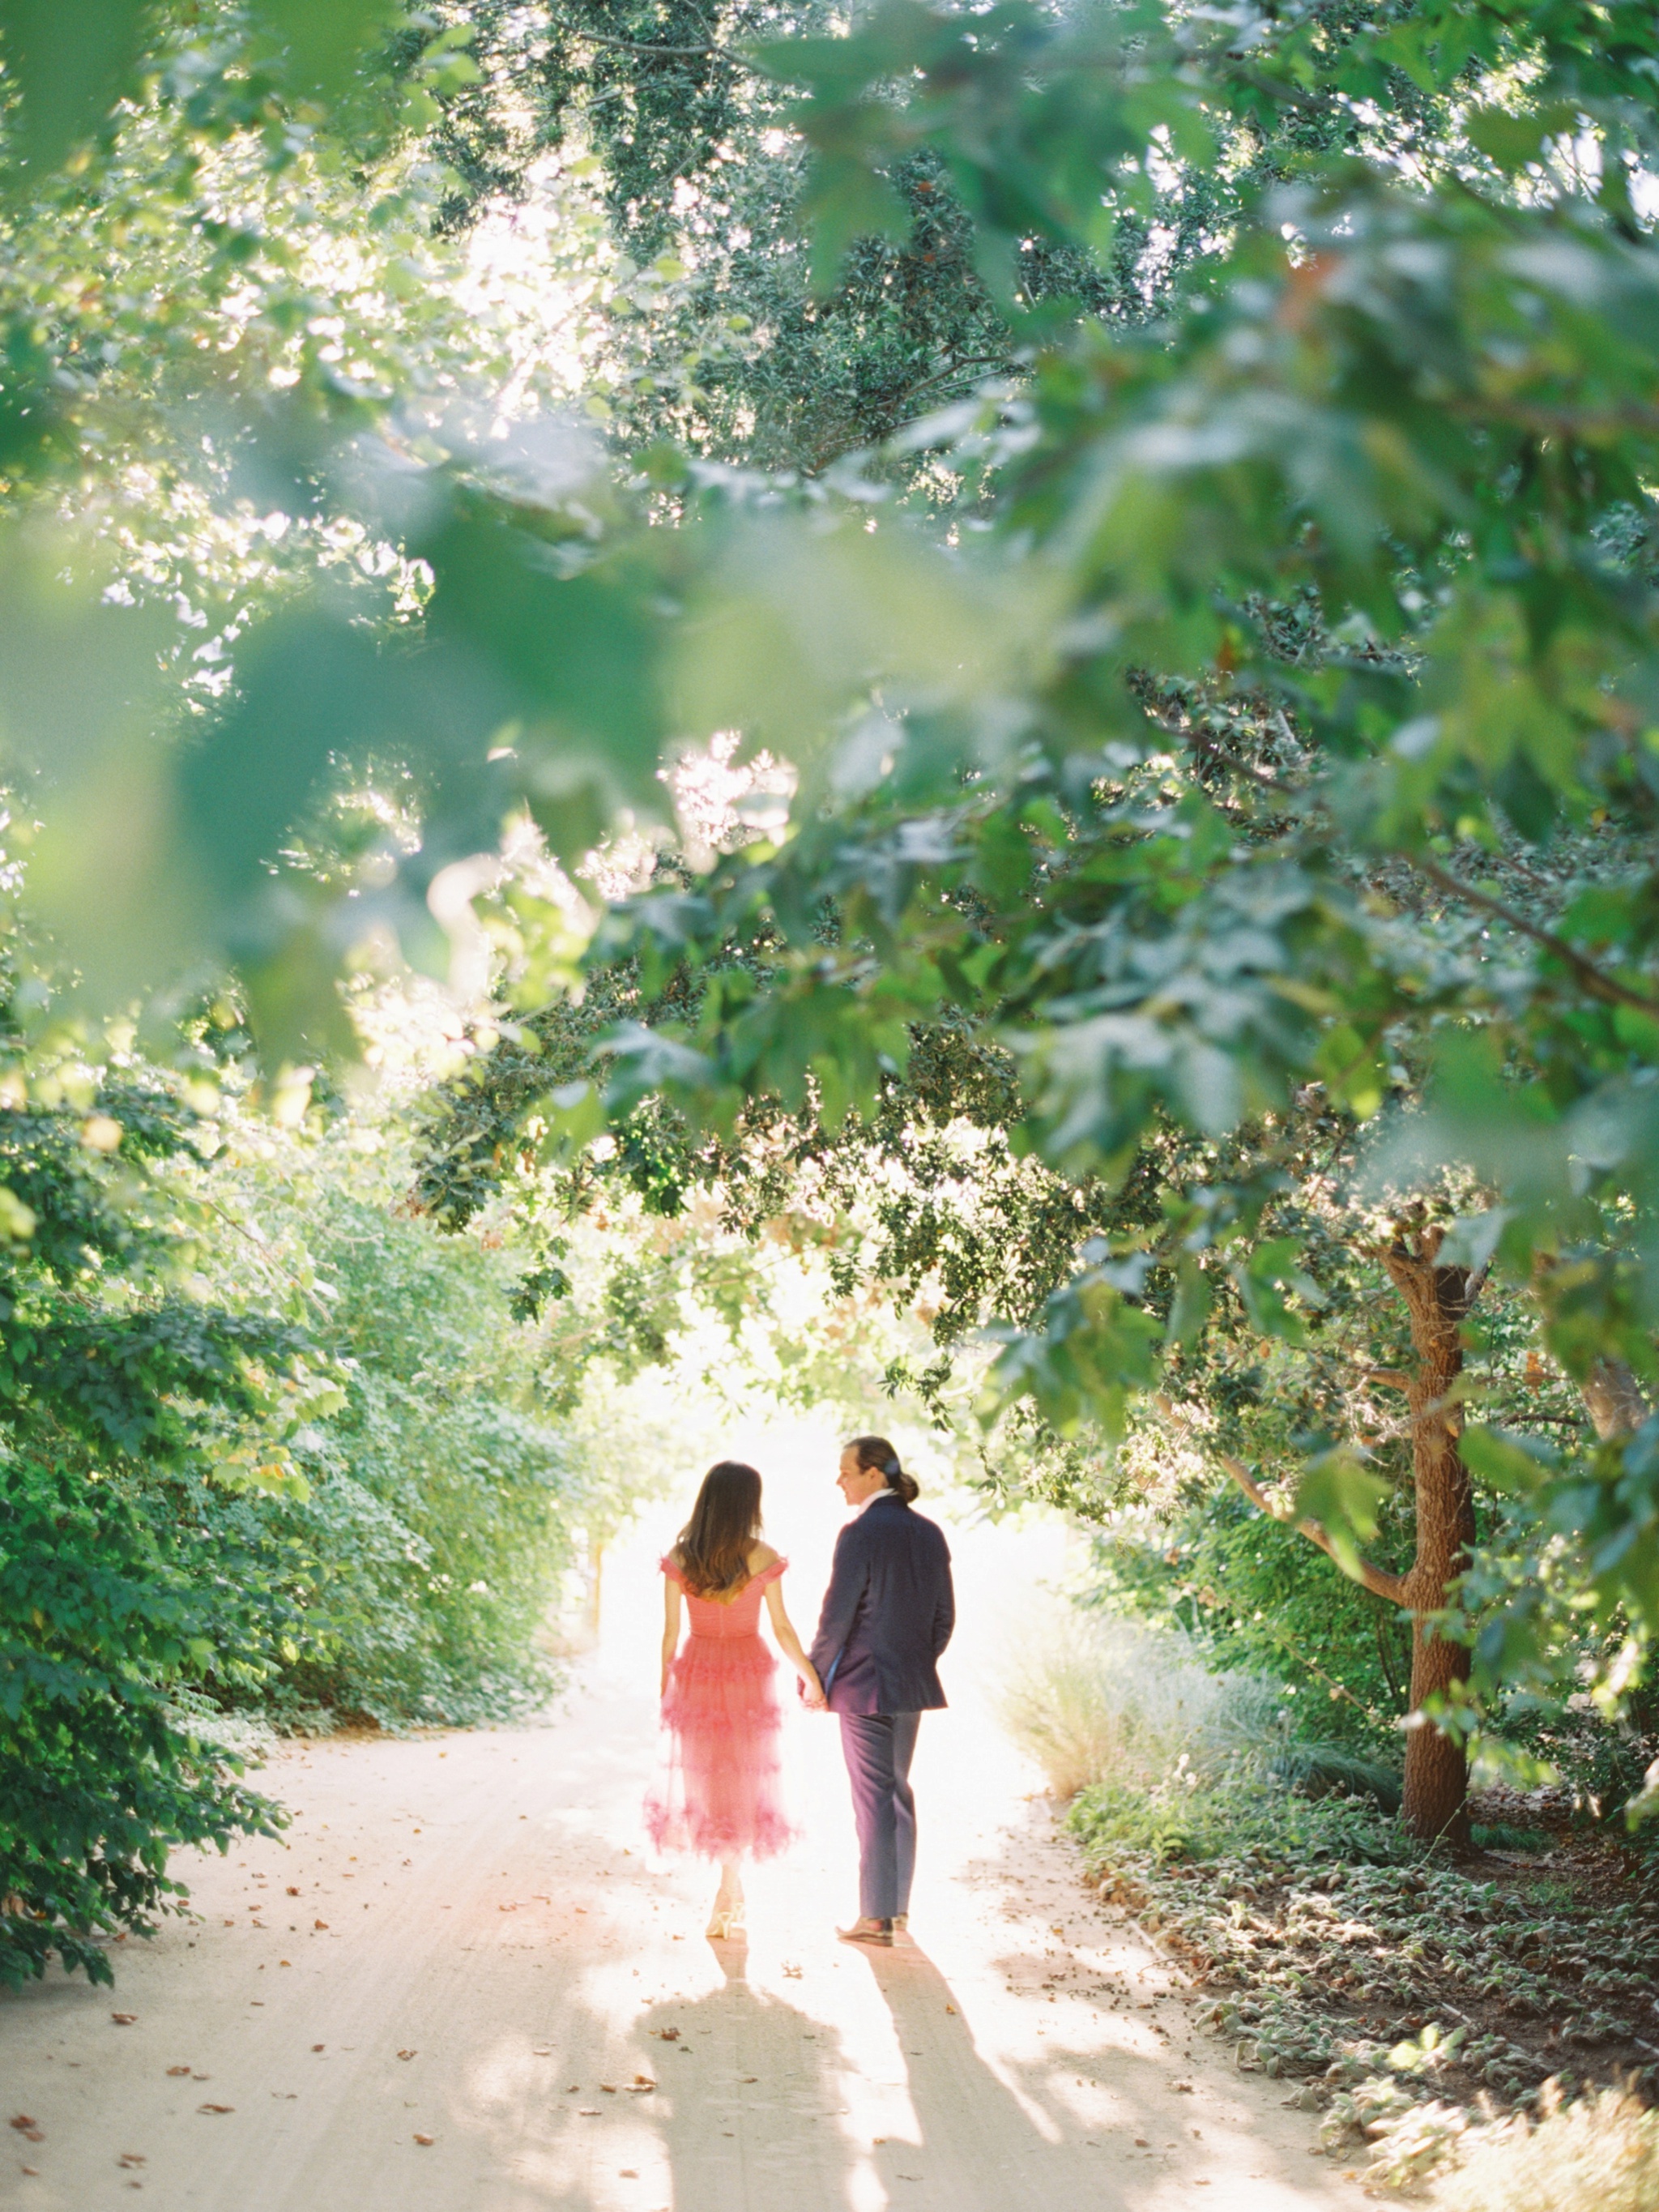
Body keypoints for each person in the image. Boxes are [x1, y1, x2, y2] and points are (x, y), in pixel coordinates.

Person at [645, 1459, 823, 1939]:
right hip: (748, 1671)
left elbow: (669, 1634)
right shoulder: (763, 1556)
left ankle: (729, 1885)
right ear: (749, 1503)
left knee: (709, 1776)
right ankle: (730, 1884)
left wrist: (666, 1689)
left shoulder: (682, 1558)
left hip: (698, 1671)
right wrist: (810, 1677)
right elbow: (783, 1629)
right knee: (744, 1775)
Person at [808, 1435, 954, 1948]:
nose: (840, 1481)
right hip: (911, 1684)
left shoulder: (858, 1534)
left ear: (874, 1474)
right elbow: (943, 1619)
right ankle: (898, 1911)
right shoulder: (930, 1533)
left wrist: (814, 1676)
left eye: (846, 1471)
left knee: (873, 1799)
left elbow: (836, 1619)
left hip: (864, 1684)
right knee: (896, 1792)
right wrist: (916, 1662)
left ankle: (874, 1919)